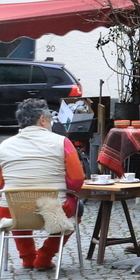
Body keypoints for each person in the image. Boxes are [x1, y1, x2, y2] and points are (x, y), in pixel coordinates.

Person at [0, 100, 86, 270]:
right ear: (42, 119)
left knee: (14, 203)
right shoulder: (62, 142)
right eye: (50, 119)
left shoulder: (4, 146)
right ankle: (45, 257)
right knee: (76, 208)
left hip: (13, 212)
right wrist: (68, 193)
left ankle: (27, 258)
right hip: (54, 209)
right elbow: (77, 180)